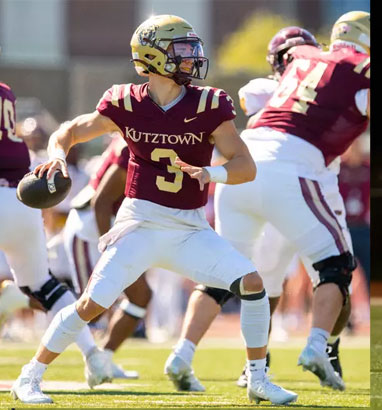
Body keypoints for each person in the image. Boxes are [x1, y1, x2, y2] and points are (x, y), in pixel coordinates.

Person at [10, 15, 296, 405]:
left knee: (252, 283)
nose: (192, 57)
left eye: (192, 48)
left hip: (189, 228)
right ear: (152, 55)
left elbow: (246, 167)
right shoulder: (125, 101)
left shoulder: (209, 103)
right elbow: (71, 131)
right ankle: (29, 376)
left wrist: (209, 172)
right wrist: (57, 156)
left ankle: (258, 379)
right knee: (90, 305)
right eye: (182, 49)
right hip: (139, 224)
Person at [163, 25, 351, 391]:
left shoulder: (263, 89)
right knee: (333, 271)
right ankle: (322, 349)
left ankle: (185, 353)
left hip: (244, 183)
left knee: (229, 277)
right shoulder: (314, 89)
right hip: (298, 190)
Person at [214, 11, 370, 390]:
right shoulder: (359, 67)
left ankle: (248, 366)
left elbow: (253, 97)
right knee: (335, 268)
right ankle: (319, 346)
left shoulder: (303, 61)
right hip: (300, 174)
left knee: (248, 281)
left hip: (251, 169)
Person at [0, 80, 113, 390]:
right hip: (22, 200)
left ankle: (9, 299)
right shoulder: (6, 90)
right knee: (44, 286)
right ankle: (93, 355)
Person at [63, 134, 150, 379]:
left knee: (141, 295)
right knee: (94, 305)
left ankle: (105, 357)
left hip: (112, 225)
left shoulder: (141, 138)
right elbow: (101, 201)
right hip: (92, 227)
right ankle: (24, 299)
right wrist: (109, 249)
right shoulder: (129, 146)